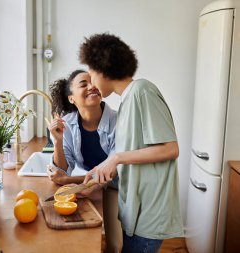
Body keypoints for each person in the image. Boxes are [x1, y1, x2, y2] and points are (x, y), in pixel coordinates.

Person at [79, 33, 183, 253]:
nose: (91, 80)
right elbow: (130, 153)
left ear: (103, 68)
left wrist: (116, 158)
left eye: (91, 72)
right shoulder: (127, 102)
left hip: (149, 213)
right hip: (134, 211)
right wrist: (96, 176)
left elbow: (171, 149)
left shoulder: (142, 91)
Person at [47, 70, 122, 252]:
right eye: (83, 84)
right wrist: (57, 141)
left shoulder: (118, 120)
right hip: (94, 184)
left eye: (93, 82)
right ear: (71, 98)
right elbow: (62, 172)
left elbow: (113, 170)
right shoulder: (67, 123)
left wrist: (68, 181)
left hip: (118, 186)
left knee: (116, 245)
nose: (92, 87)